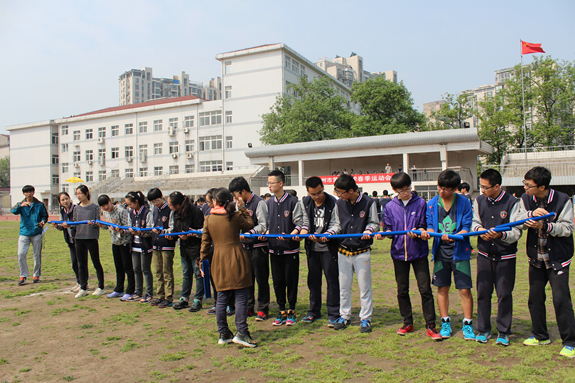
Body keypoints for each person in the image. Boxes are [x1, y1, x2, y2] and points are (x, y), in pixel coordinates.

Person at [376, 172, 442, 340]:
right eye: (401, 190)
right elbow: (390, 229)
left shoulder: (420, 203)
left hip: (418, 252)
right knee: (402, 290)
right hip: (398, 254)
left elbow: (424, 225)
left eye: (408, 189)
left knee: (425, 289)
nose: (406, 193)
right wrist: (384, 234)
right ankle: (407, 322)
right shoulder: (390, 206)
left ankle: (431, 324)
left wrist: (420, 232)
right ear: (394, 190)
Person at [520, 166, 575, 358]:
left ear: (542, 186)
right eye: (524, 183)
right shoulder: (526, 199)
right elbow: (518, 219)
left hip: (557, 258)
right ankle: (540, 335)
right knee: (535, 299)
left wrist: (546, 225)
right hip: (536, 258)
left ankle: (570, 342)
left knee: (561, 300)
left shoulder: (562, 200)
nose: (525, 188)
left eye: (529, 185)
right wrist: (529, 216)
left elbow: (568, 228)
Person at [471, 169, 524, 346]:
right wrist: (480, 231)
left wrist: (500, 235)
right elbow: (475, 222)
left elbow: (516, 231)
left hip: (506, 256)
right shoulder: (479, 201)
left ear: (497, 186)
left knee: (504, 294)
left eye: (485, 187)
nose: (482, 190)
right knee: (483, 293)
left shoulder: (513, 202)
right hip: (484, 255)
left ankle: (503, 331)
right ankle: (483, 329)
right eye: (481, 186)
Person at [421, 169, 474, 340]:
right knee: (442, 288)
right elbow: (430, 225)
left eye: (446, 189)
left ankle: (468, 325)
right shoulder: (432, 203)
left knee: (464, 289)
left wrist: (458, 235)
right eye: (440, 187)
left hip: (460, 253)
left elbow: (467, 226)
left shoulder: (464, 203)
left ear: (455, 189)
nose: (442, 191)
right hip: (440, 252)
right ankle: (445, 323)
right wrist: (429, 232)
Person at [200, 188, 256, 347]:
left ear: (215, 201)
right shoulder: (236, 216)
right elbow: (250, 225)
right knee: (241, 296)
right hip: (237, 256)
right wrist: (243, 208)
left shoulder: (209, 219)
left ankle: (223, 332)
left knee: (222, 298)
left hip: (218, 259)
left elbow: (205, 243)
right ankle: (242, 332)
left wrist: (202, 262)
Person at [333, 174, 379, 333]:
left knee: (364, 287)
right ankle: (344, 316)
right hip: (343, 251)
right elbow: (336, 224)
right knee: (344, 287)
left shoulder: (368, 202)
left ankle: (365, 318)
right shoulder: (339, 204)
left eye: (341, 192)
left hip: (362, 251)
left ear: (351, 190)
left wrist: (369, 230)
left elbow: (374, 223)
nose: (338, 195)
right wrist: (331, 232)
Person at [299, 176, 341, 326]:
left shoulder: (333, 202)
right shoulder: (305, 202)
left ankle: (334, 312)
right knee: (313, 281)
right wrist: (301, 235)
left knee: (332, 280)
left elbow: (337, 224)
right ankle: (313, 311)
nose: (317, 196)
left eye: (319, 192)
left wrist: (328, 234)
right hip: (312, 248)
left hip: (329, 248)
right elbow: (304, 223)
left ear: (323, 188)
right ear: (308, 192)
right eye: (313, 194)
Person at [265, 169, 304, 326]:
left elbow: (299, 223)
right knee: (278, 281)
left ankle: (292, 311)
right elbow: (266, 224)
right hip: (274, 249)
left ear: (280, 184)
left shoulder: (293, 202)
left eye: (271, 183)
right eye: (268, 183)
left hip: (290, 249)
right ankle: (281, 310)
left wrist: (290, 234)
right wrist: (267, 233)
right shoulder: (268, 203)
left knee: (291, 281)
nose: (269, 186)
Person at [228, 177, 270, 321]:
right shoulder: (237, 204)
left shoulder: (259, 203)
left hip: (259, 247)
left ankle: (263, 308)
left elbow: (263, 225)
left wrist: (249, 233)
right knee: (247, 280)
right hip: (244, 247)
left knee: (261, 279)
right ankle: (249, 307)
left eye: (236, 194)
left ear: (243, 191)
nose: (235, 197)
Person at [166, 191, 205, 311]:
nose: (169, 207)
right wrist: (172, 235)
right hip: (184, 247)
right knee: (186, 273)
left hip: (195, 247)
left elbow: (202, 231)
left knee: (198, 274)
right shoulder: (174, 213)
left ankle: (198, 299)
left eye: (171, 205)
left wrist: (190, 234)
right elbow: (174, 228)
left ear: (178, 205)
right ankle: (184, 298)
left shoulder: (195, 211)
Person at [97, 194, 134, 300]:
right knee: (118, 267)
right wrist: (101, 225)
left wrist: (121, 230)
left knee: (128, 268)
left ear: (110, 201)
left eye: (106, 204)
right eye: (102, 206)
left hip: (125, 242)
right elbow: (107, 226)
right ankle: (119, 289)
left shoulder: (121, 211)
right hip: (115, 242)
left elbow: (128, 228)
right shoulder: (105, 212)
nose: (105, 207)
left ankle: (130, 290)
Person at [73, 185, 105, 298]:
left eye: (80, 193)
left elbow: (98, 222)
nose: (78, 195)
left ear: (86, 193)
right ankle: (83, 287)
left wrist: (94, 224)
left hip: (91, 238)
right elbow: (74, 223)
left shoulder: (94, 207)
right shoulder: (76, 208)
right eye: (76, 193)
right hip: (79, 238)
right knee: (81, 264)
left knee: (96, 262)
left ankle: (101, 286)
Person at [12, 185, 48, 285]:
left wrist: (42, 222)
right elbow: (13, 211)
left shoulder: (39, 205)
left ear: (33, 192)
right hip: (24, 233)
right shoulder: (21, 204)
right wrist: (20, 205)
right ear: (24, 193)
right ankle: (23, 275)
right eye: (26, 192)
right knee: (21, 254)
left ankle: (36, 275)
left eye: (30, 192)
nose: (29, 194)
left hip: (36, 232)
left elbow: (45, 216)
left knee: (37, 255)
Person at [148, 188, 177, 309]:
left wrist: (162, 231)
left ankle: (169, 297)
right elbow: (151, 225)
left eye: (156, 200)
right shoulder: (154, 210)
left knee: (167, 272)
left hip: (166, 245)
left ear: (161, 197)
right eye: (153, 201)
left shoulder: (169, 210)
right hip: (156, 244)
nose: (155, 203)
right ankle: (160, 295)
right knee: (158, 271)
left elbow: (172, 228)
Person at [125, 191, 154, 303]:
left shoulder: (147, 213)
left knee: (145, 269)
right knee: (136, 269)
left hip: (145, 246)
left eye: (130, 204)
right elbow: (129, 225)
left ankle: (149, 293)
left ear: (136, 202)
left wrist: (139, 233)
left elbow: (150, 230)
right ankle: (138, 292)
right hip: (134, 246)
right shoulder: (131, 212)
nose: (129, 206)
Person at [52, 192, 80, 291]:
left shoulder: (76, 209)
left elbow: (80, 224)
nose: (65, 201)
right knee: (74, 262)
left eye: (66, 198)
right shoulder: (62, 211)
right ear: (60, 202)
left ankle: (83, 283)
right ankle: (79, 281)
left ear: (70, 198)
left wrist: (70, 225)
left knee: (80, 262)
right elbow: (62, 226)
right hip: (70, 240)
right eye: (62, 200)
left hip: (79, 239)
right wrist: (57, 226)